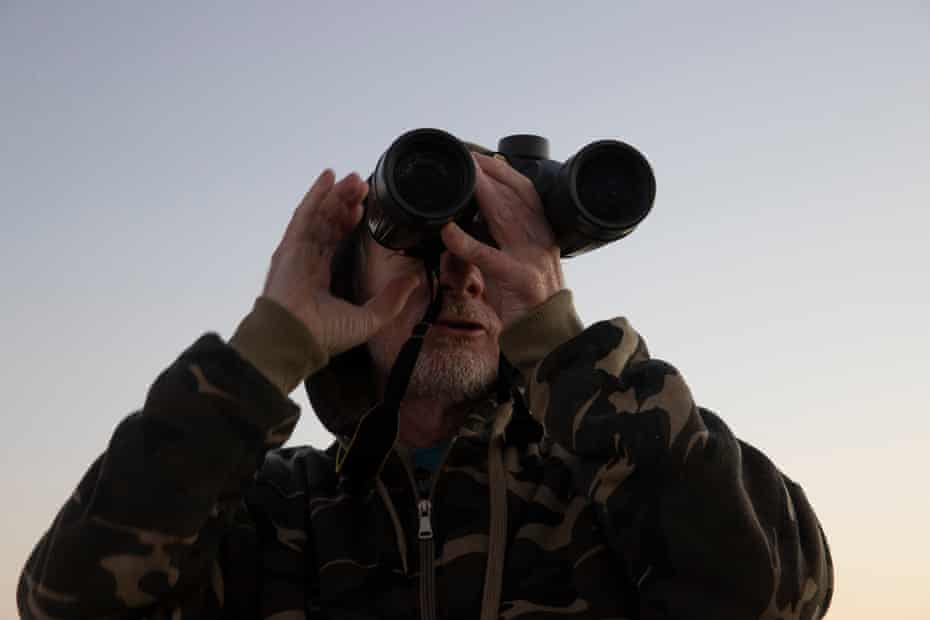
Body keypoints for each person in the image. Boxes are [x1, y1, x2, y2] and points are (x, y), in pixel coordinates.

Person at [18, 150, 834, 619]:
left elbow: (770, 595)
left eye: (490, 250)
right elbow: (72, 604)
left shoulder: (604, 498)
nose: (464, 278)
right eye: (422, 246)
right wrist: (266, 350)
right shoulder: (274, 517)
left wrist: (562, 342)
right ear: (346, 282)